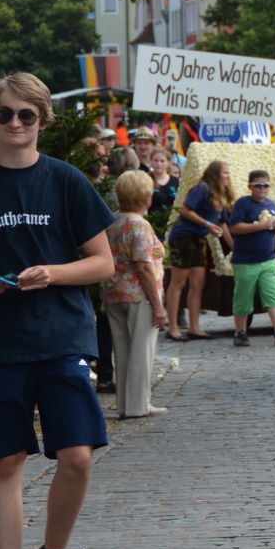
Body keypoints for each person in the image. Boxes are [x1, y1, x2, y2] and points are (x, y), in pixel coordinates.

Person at [0, 71, 116, 549]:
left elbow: (103, 262)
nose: (15, 123)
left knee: (77, 456)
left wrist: (52, 273)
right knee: (6, 464)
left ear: (42, 120)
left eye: (26, 114)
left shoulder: (66, 179)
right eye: (4, 113)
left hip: (62, 334)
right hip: (3, 344)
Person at [103, 170, 168, 419]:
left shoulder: (112, 219)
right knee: (141, 351)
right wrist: (158, 306)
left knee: (122, 351)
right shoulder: (139, 224)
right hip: (140, 294)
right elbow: (143, 266)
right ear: (144, 196)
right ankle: (138, 406)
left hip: (114, 290)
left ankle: (124, 404)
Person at [227, 170, 275, 348]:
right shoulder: (243, 203)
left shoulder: (271, 205)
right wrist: (259, 226)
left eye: (265, 185)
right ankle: (240, 332)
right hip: (245, 260)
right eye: (258, 185)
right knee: (243, 297)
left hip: (268, 259)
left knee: (273, 295)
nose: (262, 189)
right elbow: (234, 227)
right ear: (250, 186)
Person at [163, 160, 232, 341]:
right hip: (183, 237)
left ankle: (194, 328)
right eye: (225, 172)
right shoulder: (202, 189)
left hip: (199, 239)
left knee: (198, 282)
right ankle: (173, 327)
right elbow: (185, 210)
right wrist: (207, 224)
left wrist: (234, 246)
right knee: (178, 282)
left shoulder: (220, 194)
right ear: (215, 174)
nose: (228, 176)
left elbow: (223, 223)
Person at [145, 144, 178, 214]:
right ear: (151, 162)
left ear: (168, 162)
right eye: (156, 160)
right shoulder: (146, 181)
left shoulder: (176, 181)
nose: (159, 164)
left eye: (162, 161)